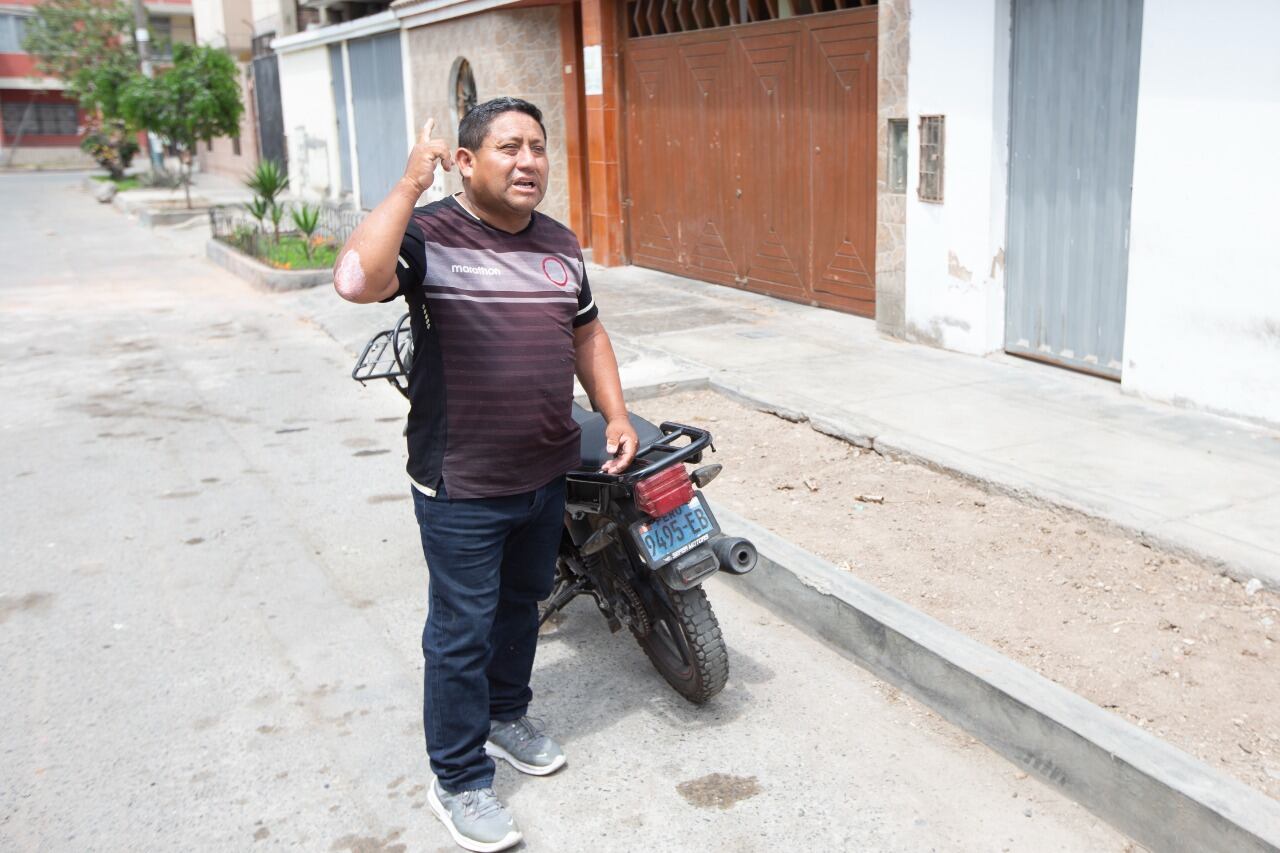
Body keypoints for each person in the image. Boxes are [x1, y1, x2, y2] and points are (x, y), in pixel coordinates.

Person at [332, 97, 638, 852]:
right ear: (465, 163)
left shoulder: (561, 244)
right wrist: (408, 185)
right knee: (460, 631)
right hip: (460, 480)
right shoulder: (429, 235)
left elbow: (587, 331)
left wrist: (617, 411)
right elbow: (353, 280)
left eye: (537, 146)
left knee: (522, 605)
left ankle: (505, 716)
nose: (529, 160)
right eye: (509, 147)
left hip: (545, 471)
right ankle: (459, 778)